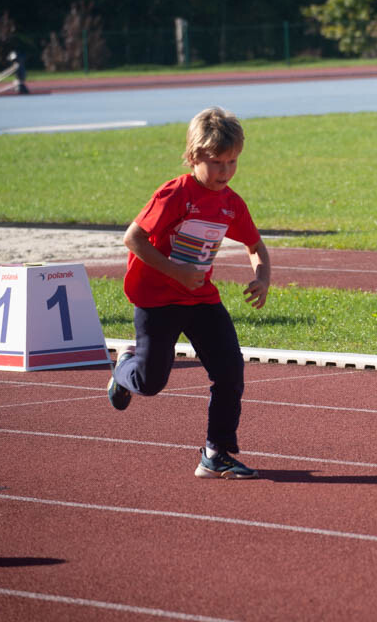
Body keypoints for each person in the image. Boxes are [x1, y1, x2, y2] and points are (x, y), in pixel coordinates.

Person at [108, 106, 271, 478]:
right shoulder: (176, 193)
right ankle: (123, 366)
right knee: (150, 383)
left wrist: (262, 278)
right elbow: (132, 238)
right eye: (217, 163)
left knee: (230, 370)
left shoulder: (231, 203)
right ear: (194, 156)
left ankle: (216, 453)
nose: (225, 172)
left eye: (232, 162)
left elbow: (255, 246)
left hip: (200, 298)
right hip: (156, 297)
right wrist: (176, 271)